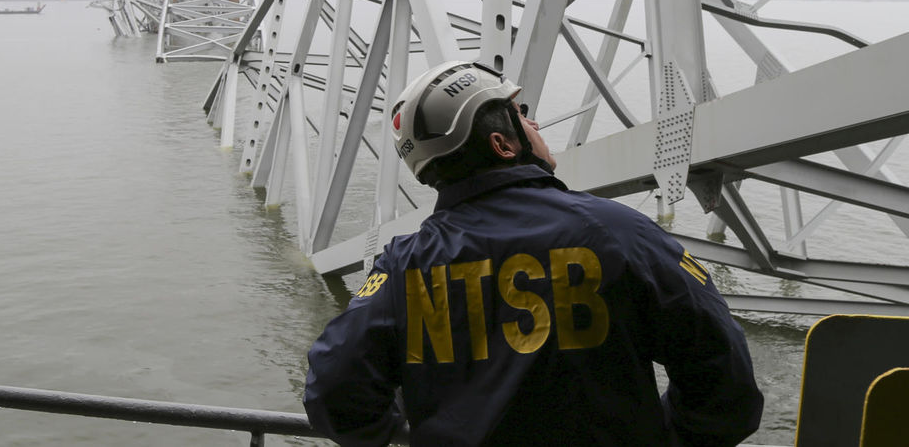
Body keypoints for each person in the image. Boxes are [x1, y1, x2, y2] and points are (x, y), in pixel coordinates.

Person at [303, 60, 763, 446]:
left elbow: (333, 390)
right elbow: (725, 381)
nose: (535, 123)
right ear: (503, 145)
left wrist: (404, 433)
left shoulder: (403, 266)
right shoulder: (619, 233)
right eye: (521, 114)